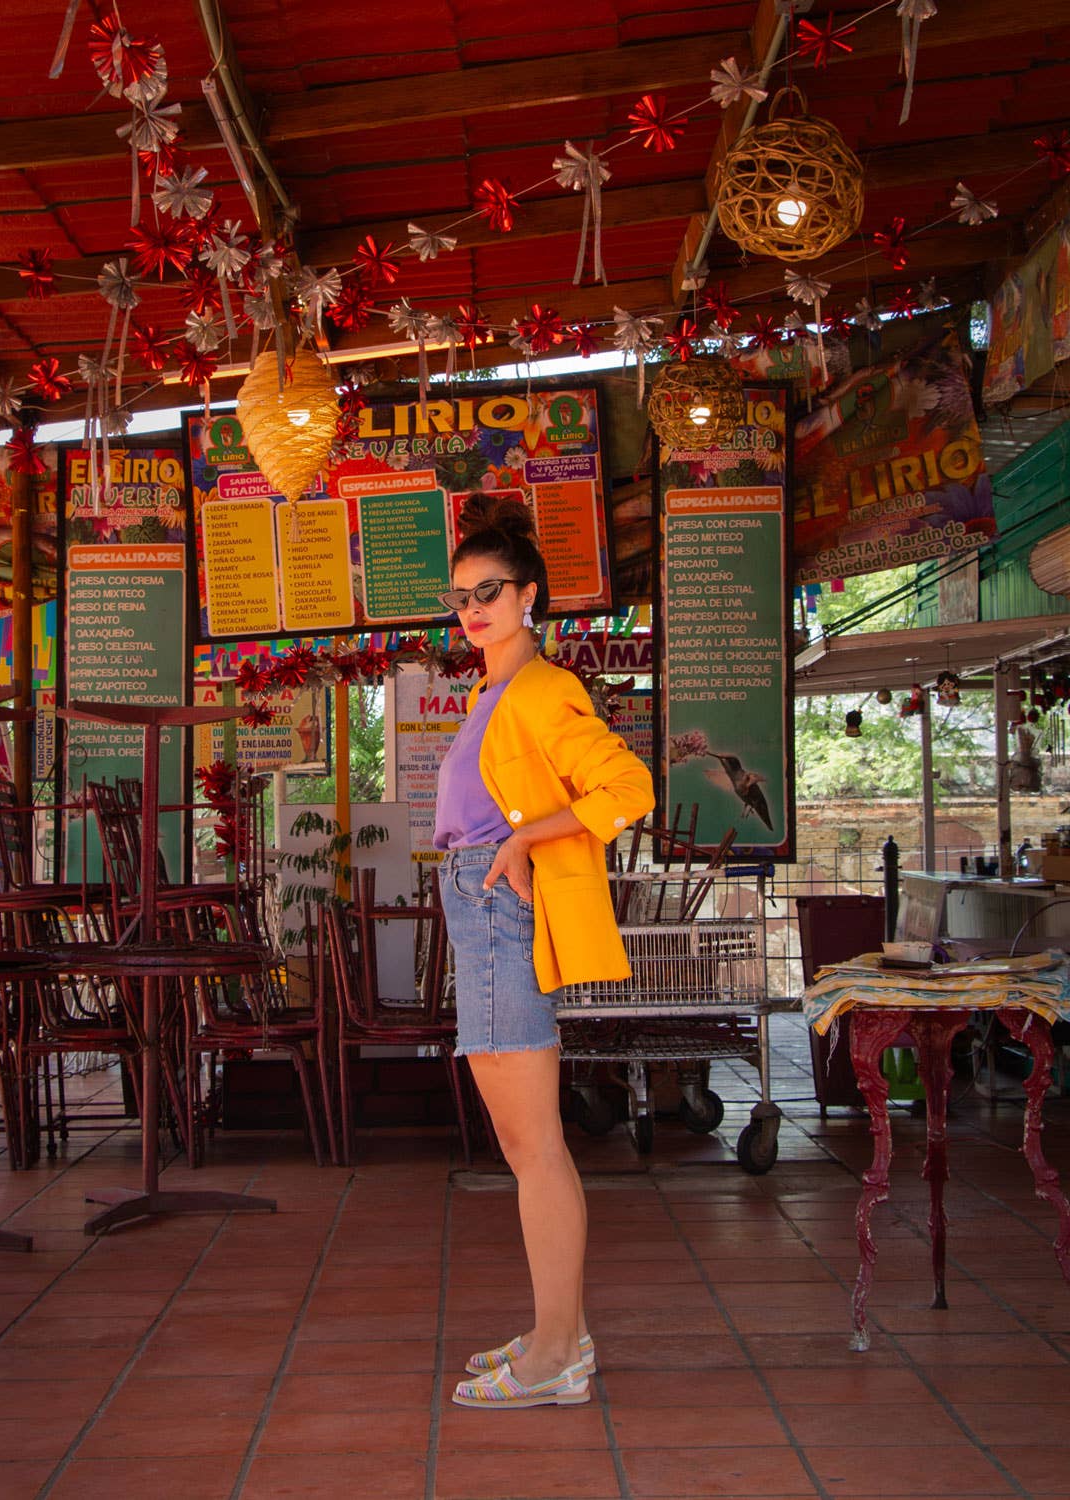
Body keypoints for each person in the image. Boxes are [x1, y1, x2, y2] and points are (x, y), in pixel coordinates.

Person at [432, 493, 654, 1411]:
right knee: (528, 1147)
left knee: (534, 1150)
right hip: (477, 910)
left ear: (529, 596)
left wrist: (527, 841)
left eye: (491, 590)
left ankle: (559, 1349)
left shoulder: (539, 687)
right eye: (460, 597)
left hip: (497, 913)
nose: (474, 608)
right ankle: (555, 1331)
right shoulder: (492, 689)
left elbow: (628, 786)